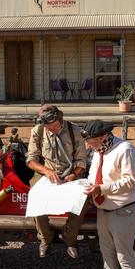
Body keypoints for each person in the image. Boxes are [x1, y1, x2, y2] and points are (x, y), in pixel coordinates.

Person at [82, 120, 135, 269]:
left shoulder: (125, 150)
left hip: (123, 210)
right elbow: (95, 175)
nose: (88, 146)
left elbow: (131, 181)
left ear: (100, 138)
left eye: (90, 141)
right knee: (106, 250)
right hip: (104, 209)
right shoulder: (100, 150)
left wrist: (101, 189)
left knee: (125, 256)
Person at [26, 105, 87, 259]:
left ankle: (70, 238)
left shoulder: (75, 131)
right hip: (47, 174)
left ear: (60, 119)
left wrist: (73, 175)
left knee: (83, 198)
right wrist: (46, 171)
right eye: (49, 127)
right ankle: (46, 238)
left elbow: (81, 161)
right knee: (35, 196)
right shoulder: (38, 131)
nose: (52, 130)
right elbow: (31, 160)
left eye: (55, 126)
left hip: (71, 174)